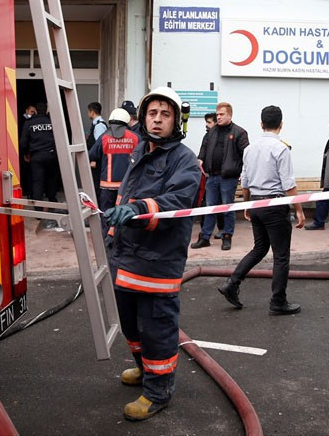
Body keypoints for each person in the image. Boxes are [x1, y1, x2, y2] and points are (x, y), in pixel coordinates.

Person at [102, 86, 201, 421]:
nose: (158, 120)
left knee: (156, 329)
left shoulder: (183, 159)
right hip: (126, 259)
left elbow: (177, 202)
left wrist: (138, 209)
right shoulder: (140, 151)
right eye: (153, 113)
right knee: (131, 326)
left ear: (176, 121)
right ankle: (145, 371)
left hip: (157, 263)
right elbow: (123, 198)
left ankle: (158, 392)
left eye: (165, 114)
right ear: (143, 118)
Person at [217, 105, 306, 315]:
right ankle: (278, 301)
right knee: (281, 256)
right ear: (281, 125)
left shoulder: (250, 149)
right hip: (275, 206)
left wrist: (248, 205)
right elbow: (288, 184)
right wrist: (299, 210)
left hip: (256, 203)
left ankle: (232, 283)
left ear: (261, 124)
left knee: (259, 249)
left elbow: (245, 182)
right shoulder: (281, 149)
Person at [191, 102, 249, 251]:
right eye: (217, 114)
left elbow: (247, 156)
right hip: (212, 176)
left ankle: (227, 236)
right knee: (210, 208)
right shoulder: (211, 132)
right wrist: (200, 158)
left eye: (221, 114)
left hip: (228, 178)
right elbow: (204, 148)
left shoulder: (239, 133)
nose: (218, 117)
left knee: (227, 208)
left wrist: (243, 173)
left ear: (230, 115)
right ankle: (205, 237)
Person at [89, 107, 139, 236]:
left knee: (106, 215)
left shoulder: (104, 137)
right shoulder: (135, 138)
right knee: (127, 215)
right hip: (128, 186)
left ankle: (106, 241)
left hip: (107, 186)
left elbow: (91, 155)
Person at [19, 102, 60, 227]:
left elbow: (23, 142)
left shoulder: (29, 123)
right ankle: (52, 205)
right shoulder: (53, 122)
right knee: (52, 180)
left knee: (38, 182)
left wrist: (25, 153)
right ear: (46, 110)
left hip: (37, 156)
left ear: (35, 111)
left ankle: (38, 211)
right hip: (52, 155)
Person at [87, 102, 108, 199]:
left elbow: (99, 144)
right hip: (95, 161)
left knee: (96, 185)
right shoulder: (96, 124)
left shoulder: (99, 125)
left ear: (92, 112)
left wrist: (94, 159)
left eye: (88, 111)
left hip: (97, 162)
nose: (88, 114)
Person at [18, 104, 37, 199]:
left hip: (31, 151)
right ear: (26, 111)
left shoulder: (34, 121)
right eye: (32, 112)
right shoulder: (21, 121)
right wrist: (25, 152)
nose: (33, 114)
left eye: (35, 112)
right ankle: (27, 191)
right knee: (26, 172)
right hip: (23, 151)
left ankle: (30, 191)